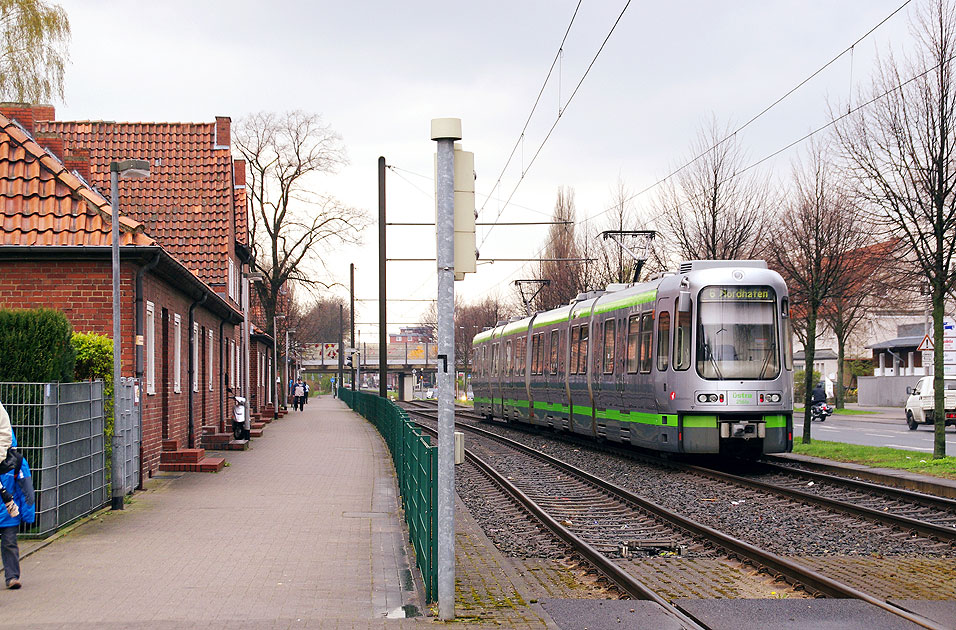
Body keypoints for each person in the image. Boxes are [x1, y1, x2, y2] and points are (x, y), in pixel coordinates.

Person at [0, 431, 34, 590]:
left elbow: (25, 491)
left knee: (10, 543)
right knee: (10, 544)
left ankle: (12, 577)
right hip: (9, 512)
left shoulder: (17, 461)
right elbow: (27, 492)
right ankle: (12, 577)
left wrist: (27, 514)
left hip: (9, 513)